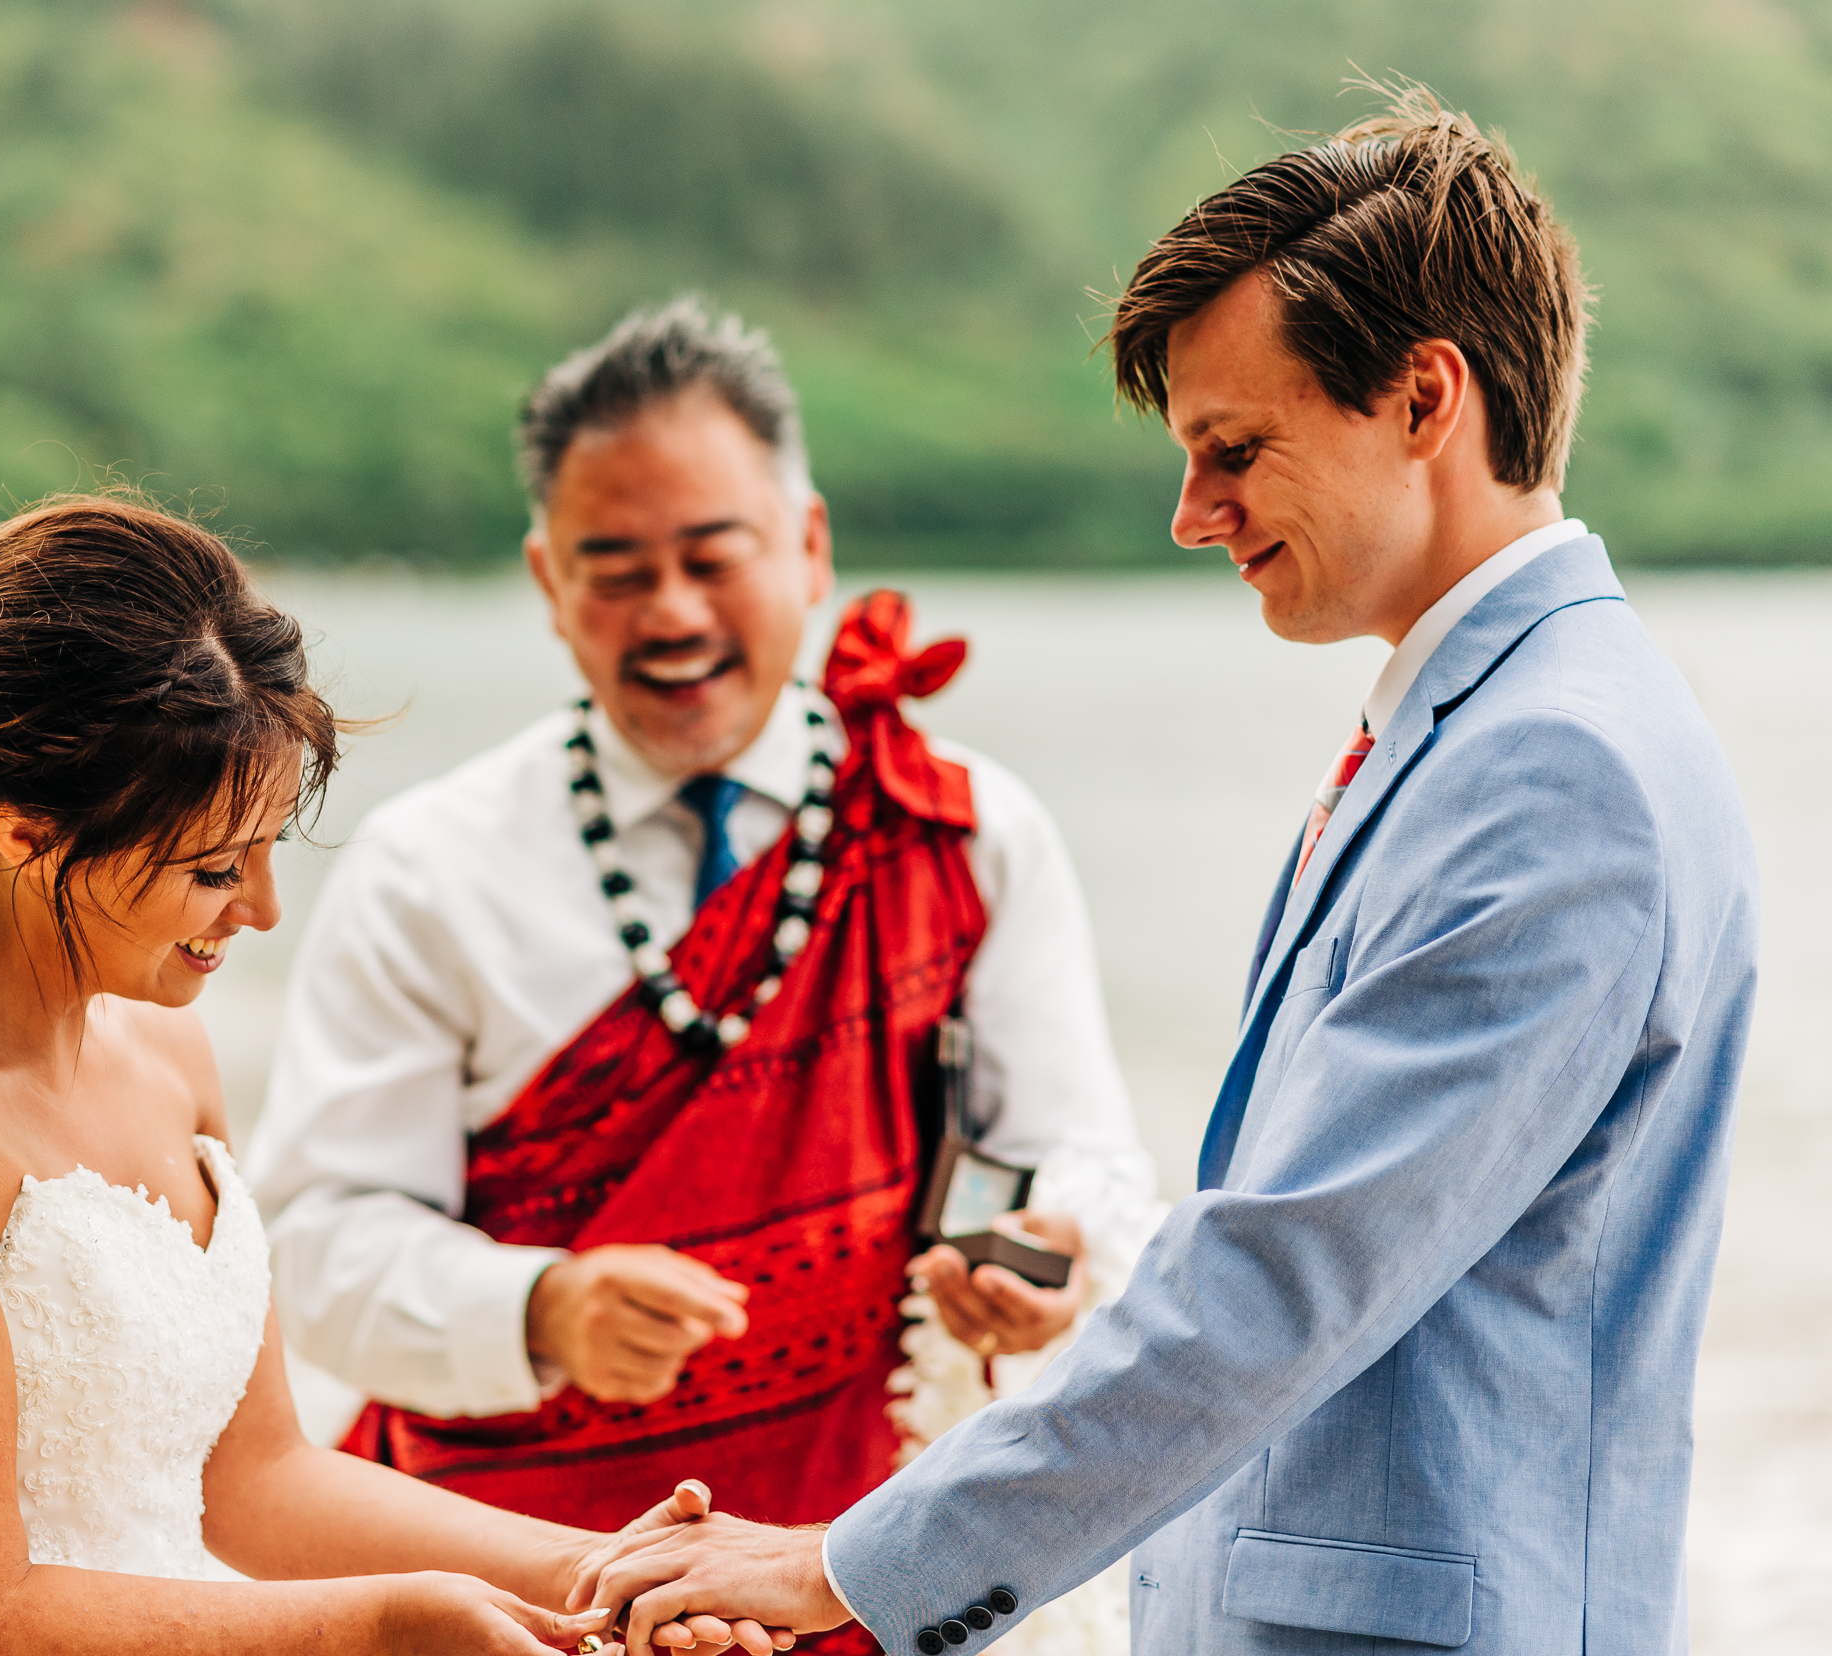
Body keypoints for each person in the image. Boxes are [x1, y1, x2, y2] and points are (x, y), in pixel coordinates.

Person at [577, 87, 1759, 1656]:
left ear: (1425, 399)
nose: (1193, 514)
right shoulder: (1511, 723)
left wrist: (845, 1569)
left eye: (1233, 448)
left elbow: (1286, 1273)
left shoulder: (1558, 769)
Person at [0, 495, 790, 1656]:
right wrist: (386, 1624)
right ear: (25, 831)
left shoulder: (159, 1041)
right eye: (216, 868)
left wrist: (598, 1570)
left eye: (271, 848)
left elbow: (258, 1480)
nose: (265, 911)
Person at [245, 302, 1160, 1652]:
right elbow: (312, 1248)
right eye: (613, 568)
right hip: (515, 1595)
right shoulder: (426, 869)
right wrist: (540, 1306)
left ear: (808, 547)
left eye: (709, 557)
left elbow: (1078, 1162)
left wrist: (1053, 1265)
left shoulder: (962, 831)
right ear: (549, 584)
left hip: (846, 1572)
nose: (669, 613)